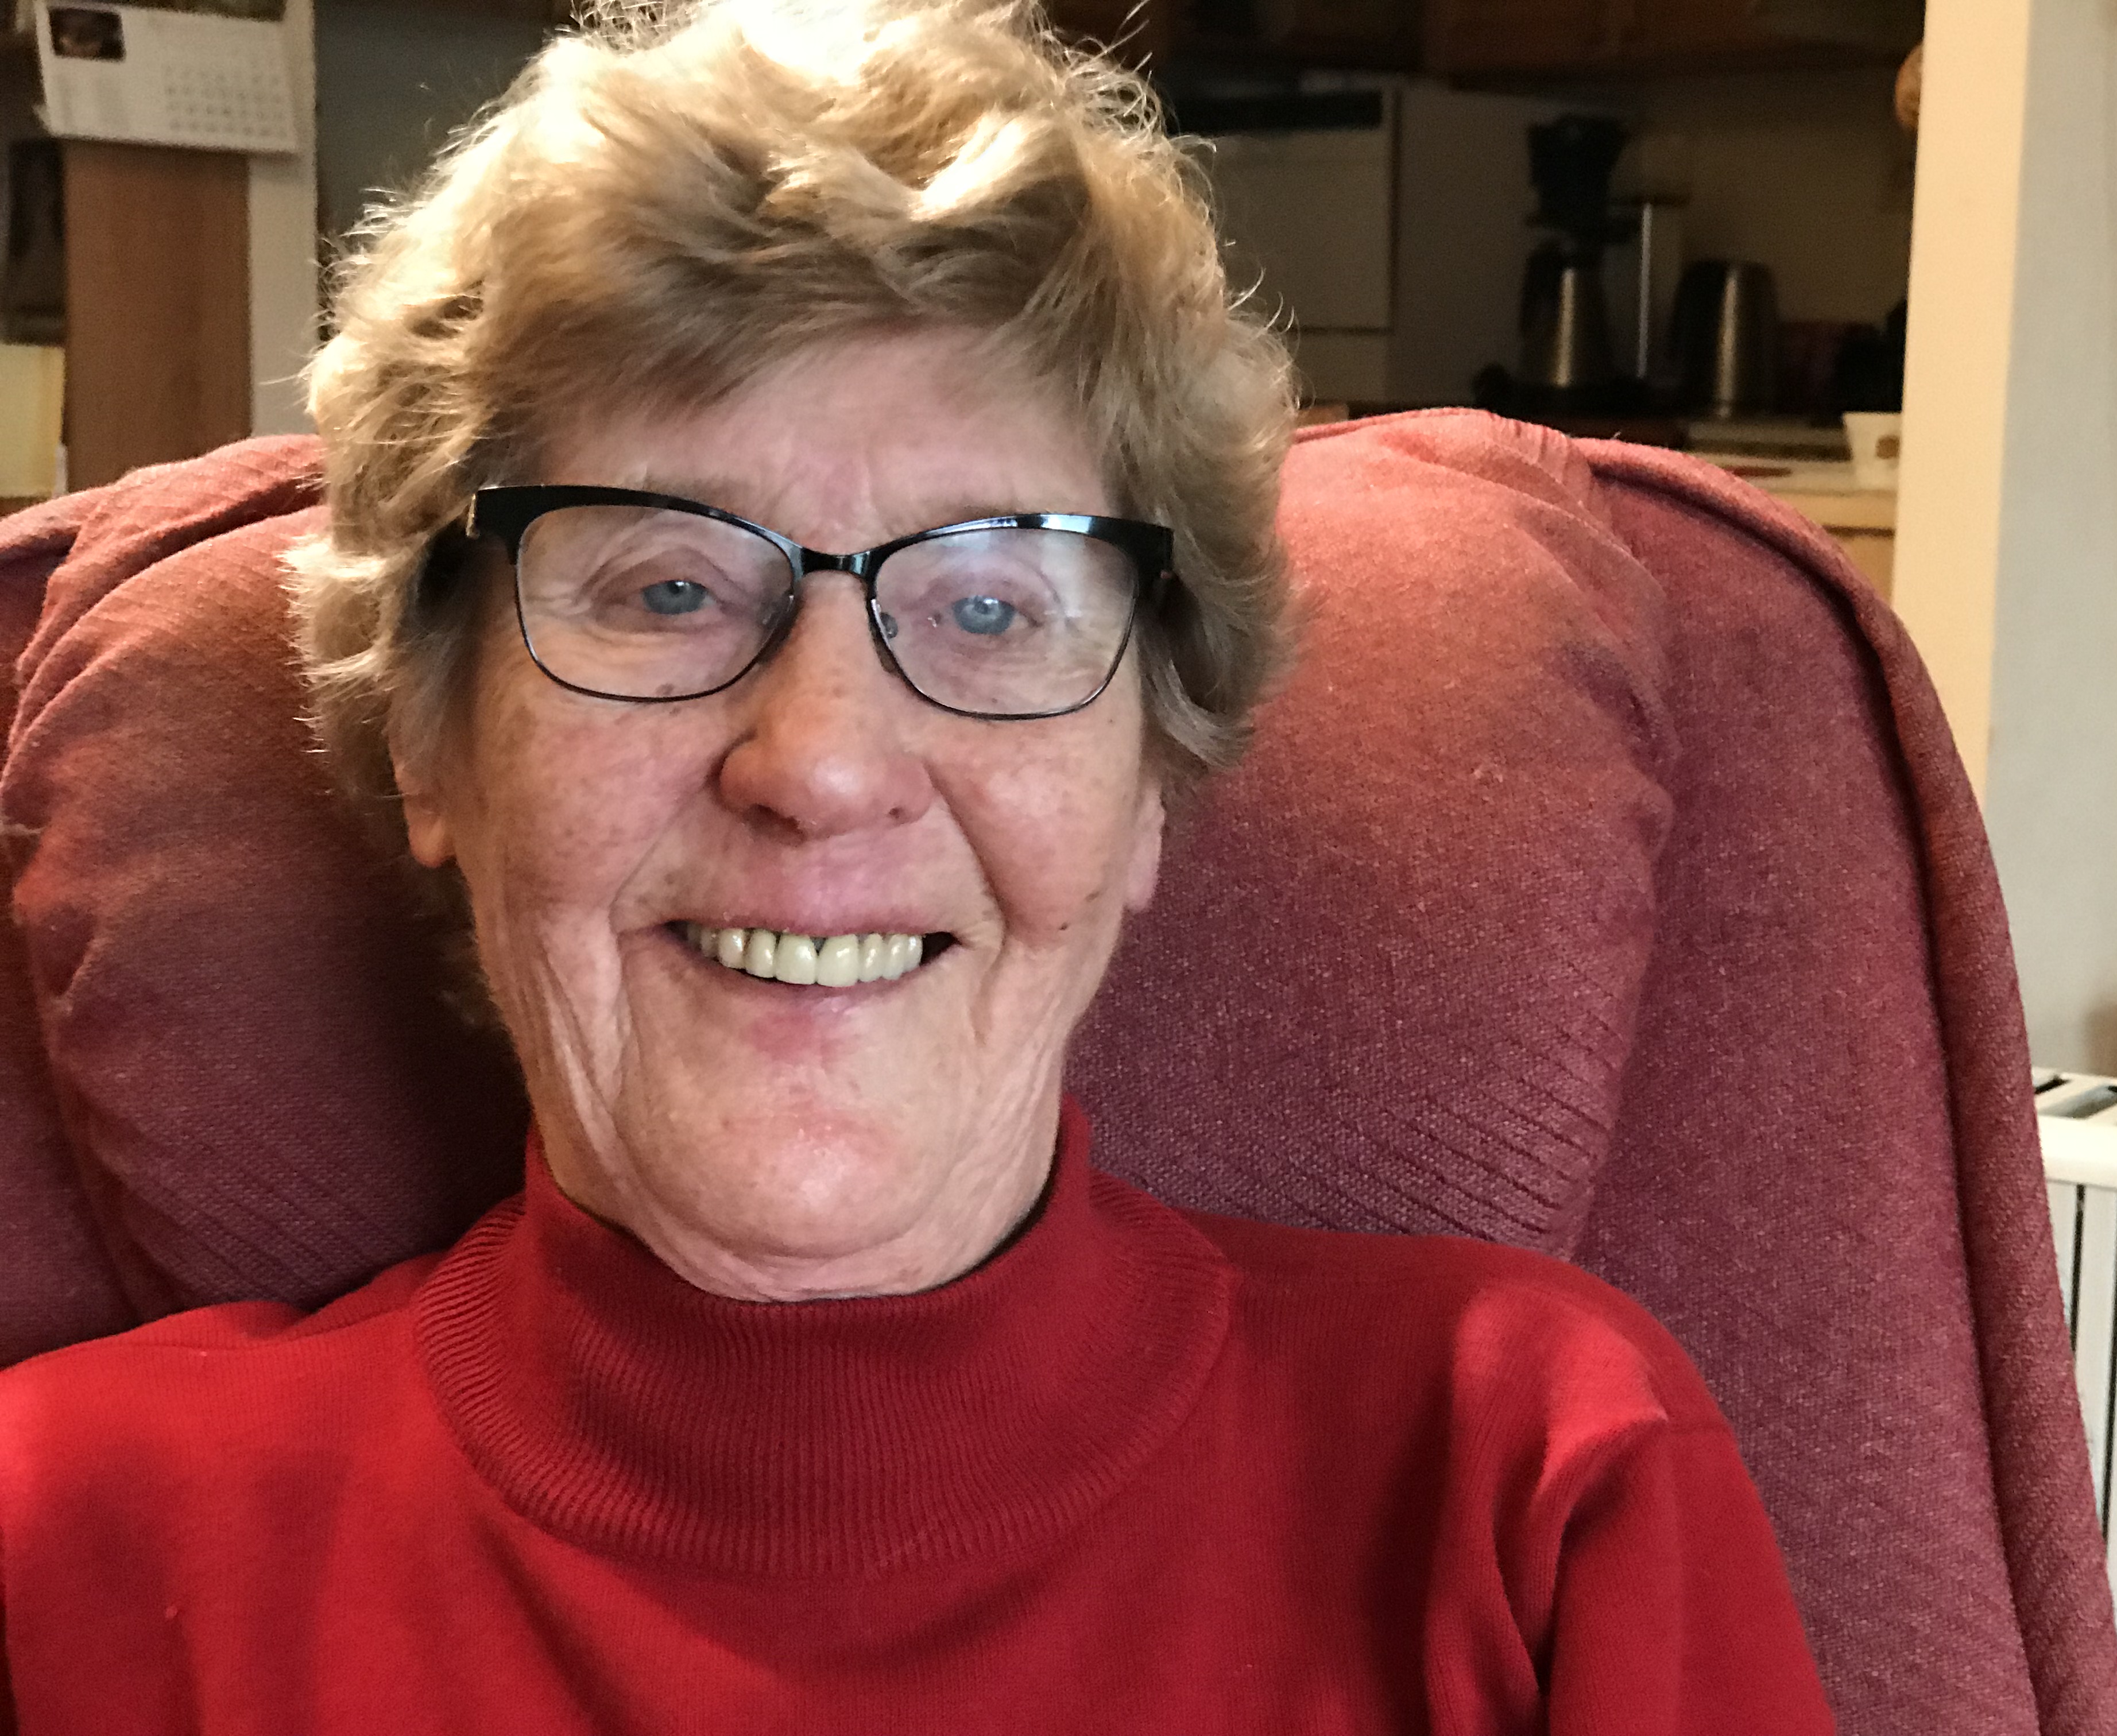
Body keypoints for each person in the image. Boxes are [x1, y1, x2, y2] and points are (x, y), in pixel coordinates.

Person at [0, 3, 1837, 1730]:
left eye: (988, 606)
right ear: (430, 737)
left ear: (1149, 780)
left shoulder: (1533, 1487)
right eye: (664, 586)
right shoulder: (65, 1548)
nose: (820, 763)